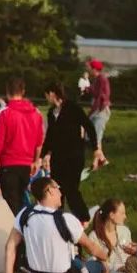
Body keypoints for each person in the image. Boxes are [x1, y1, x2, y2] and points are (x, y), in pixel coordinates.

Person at [3, 176, 113, 273]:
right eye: (58, 188)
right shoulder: (66, 219)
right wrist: (106, 256)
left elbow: (10, 246)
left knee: (77, 262)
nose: (61, 193)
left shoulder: (24, 214)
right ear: (49, 191)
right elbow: (91, 247)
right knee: (102, 268)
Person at [42, 82, 97, 222]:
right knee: (57, 190)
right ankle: (56, 220)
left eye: (46, 95)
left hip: (73, 157)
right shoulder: (51, 113)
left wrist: (96, 148)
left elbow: (89, 126)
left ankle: (83, 218)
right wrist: (43, 155)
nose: (46, 98)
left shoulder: (73, 108)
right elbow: (50, 136)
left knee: (71, 190)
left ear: (52, 93)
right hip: (58, 158)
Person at [0, 78, 44, 214]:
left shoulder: (4, 113)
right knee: (20, 199)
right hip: (26, 163)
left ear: (7, 92)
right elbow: (39, 142)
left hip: (8, 163)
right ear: (23, 92)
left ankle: (16, 232)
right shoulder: (36, 113)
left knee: (11, 203)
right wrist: (36, 161)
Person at [87, 60, 112, 145]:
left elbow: (100, 96)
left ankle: (98, 158)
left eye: (89, 67)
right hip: (98, 109)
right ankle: (99, 158)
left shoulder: (101, 79)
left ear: (94, 69)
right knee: (95, 138)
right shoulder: (97, 79)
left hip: (101, 110)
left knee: (96, 138)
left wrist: (92, 112)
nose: (88, 69)